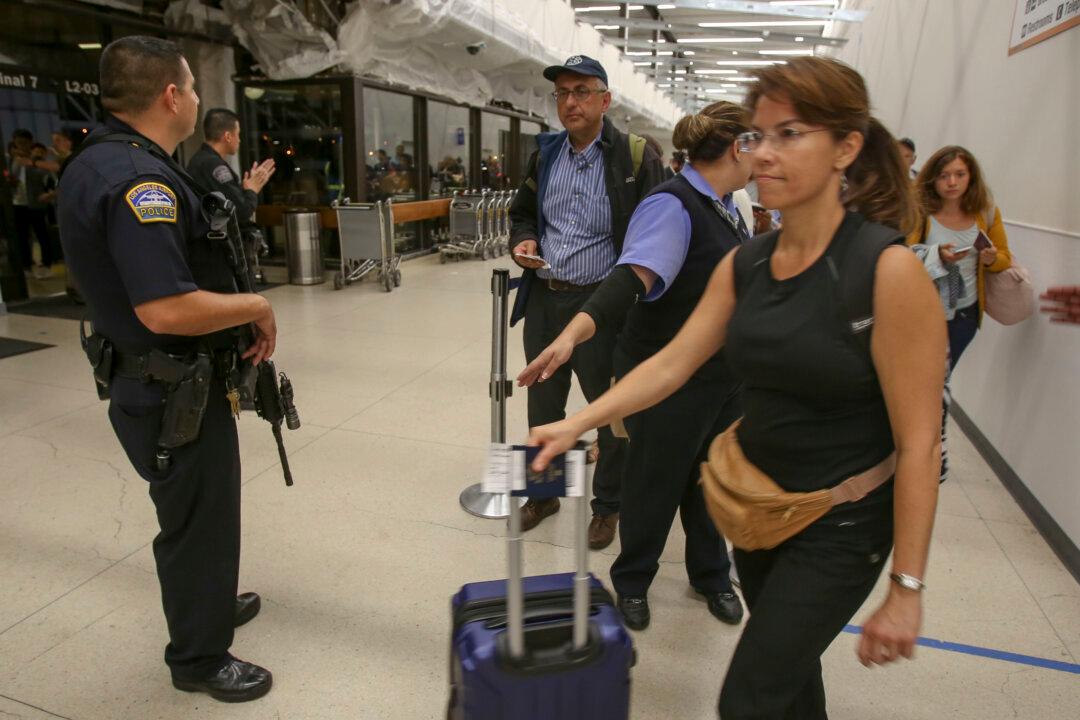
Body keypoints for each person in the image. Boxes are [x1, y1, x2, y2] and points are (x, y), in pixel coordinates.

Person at [526, 56, 945, 719]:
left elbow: (920, 443)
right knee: (790, 683)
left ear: (847, 148)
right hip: (759, 508)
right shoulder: (748, 262)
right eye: (757, 135)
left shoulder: (887, 272)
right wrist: (578, 424)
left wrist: (908, 585)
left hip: (841, 521)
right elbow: (673, 363)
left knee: (747, 697)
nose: (763, 153)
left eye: (789, 134)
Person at [57, 36, 276, 702]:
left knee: (199, 511)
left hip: (153, 379)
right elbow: (166, 308)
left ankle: (205, 601)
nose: (201, 101)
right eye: (196, 89)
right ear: (171, 95)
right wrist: (257, 304)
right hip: (169, 384)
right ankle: (199, 657)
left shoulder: (104, 161)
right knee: (197, 516)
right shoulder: (139, 182)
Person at [518, 101, 752, 631]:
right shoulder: (673, 205)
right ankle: (633, 580)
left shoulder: (730, 203)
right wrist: (570, 335)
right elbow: (627, 281)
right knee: (655, 482)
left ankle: (711, 574)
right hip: (664, 373)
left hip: (722, 377)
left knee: (710, 479)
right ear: (740, 146)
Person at [508, 54, 664, 548]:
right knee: (543, 402)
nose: (570, 102)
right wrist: (526, 240)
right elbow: (523, 213)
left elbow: (656, 234)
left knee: (611, 411)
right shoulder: (545, 153)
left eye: (581, 92)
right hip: (546, 300)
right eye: (562, 94)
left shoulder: (635, 158)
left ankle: (608, 505)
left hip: (604, 309)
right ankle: (544, 493)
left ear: (605, 100)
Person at [906, 145, 1012, 370]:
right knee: (916, 374)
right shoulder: (918, 210)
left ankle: (937, 405)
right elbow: (899, 255)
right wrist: (935, 256)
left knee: (942, 376)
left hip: (965, 313)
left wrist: (991, 260)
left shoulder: (985, 212)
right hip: (921, 309)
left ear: (970, 176)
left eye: (960, 174)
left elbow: (1005, 258)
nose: (952, 182)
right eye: (944, 176)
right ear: (932, 179)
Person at [187, 108, 275, 284]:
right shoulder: (214, 166)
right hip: (222, 255)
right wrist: (251, 191)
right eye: (238, 134)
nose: (239, 140)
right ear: (227, 136)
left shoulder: (200, 161)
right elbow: (240, 211)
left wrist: (243, 189)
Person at [7, 129, 57, 278]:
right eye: (18, 143)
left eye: (24, 143)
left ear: (30, 143)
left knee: (42, 235)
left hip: (36, 203)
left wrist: (31, 163)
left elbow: (47, 176)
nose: (21, 146)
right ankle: (27, 266)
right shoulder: (10, 159)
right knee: (22, 237)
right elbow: (10, 178)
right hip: (17, 203)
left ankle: (46, 265)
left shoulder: (36, 160)